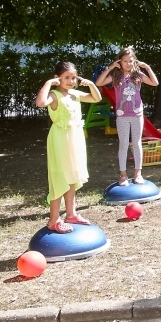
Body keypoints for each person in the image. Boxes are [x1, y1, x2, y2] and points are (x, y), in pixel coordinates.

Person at [35, 61, 102, 233]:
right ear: (58, 78)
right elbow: (41, 103)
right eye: (66, 77)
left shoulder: (74, 93)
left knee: (72, 176)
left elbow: (96, 98)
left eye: (73, 77)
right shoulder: (54, 95)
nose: (71, 81)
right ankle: (53, 220)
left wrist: (92, 85)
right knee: (59, 178)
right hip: (60, 139)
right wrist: (49, 83)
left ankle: (71, 214)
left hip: (75, 138)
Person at [95, 47, 159, 186]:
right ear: (120, 61)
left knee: (136, 144)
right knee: (123, 144)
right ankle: (123, 175)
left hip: (137, 115)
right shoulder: (115, 76)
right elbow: (99, 83)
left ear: (134, 61)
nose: (128, 63)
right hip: (122, 116)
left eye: (131, 61)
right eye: (125, 61)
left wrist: (147, 68)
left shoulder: (138, 75)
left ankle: (138, 173)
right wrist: (110, 67)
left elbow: (155, 83)